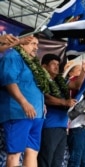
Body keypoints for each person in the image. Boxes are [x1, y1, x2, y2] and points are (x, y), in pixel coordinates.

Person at [37, 54, 85, 167]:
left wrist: (83, 72)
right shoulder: (42, 79)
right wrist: (65, 102)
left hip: (62, 126)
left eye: (58, 64)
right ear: (44, 66)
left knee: (57, 161)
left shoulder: (60, 81)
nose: (56, 67)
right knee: (46, 159)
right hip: (49, 126)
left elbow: (77, 85)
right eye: (53, 64)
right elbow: (46, 98)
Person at [0, 32, 45, 167]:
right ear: (23, 42)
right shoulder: (12, 56)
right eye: (33, 43)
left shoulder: (33, 64)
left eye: (37, 44)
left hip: (37, 114)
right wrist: (24, 103)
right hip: (18, 112)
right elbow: (9, 82)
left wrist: (41, 103)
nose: (36, 47)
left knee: (32, 152)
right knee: (15, 154)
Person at [63, 60, 85, 167]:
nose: (83, 72)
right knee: (75, 160)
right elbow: (78, 86)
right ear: (70, 73)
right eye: (79, 70)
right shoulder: (72, 84)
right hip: (76, 127)